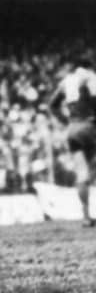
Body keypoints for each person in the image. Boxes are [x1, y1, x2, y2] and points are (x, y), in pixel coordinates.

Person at [50, 58, 96, 227]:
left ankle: (86, 217)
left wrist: (65, 121)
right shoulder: (90, 77)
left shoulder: (65, 81)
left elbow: (52, 105)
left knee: (82, 174)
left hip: (73, 129)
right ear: (89, 66)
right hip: (90, 126)